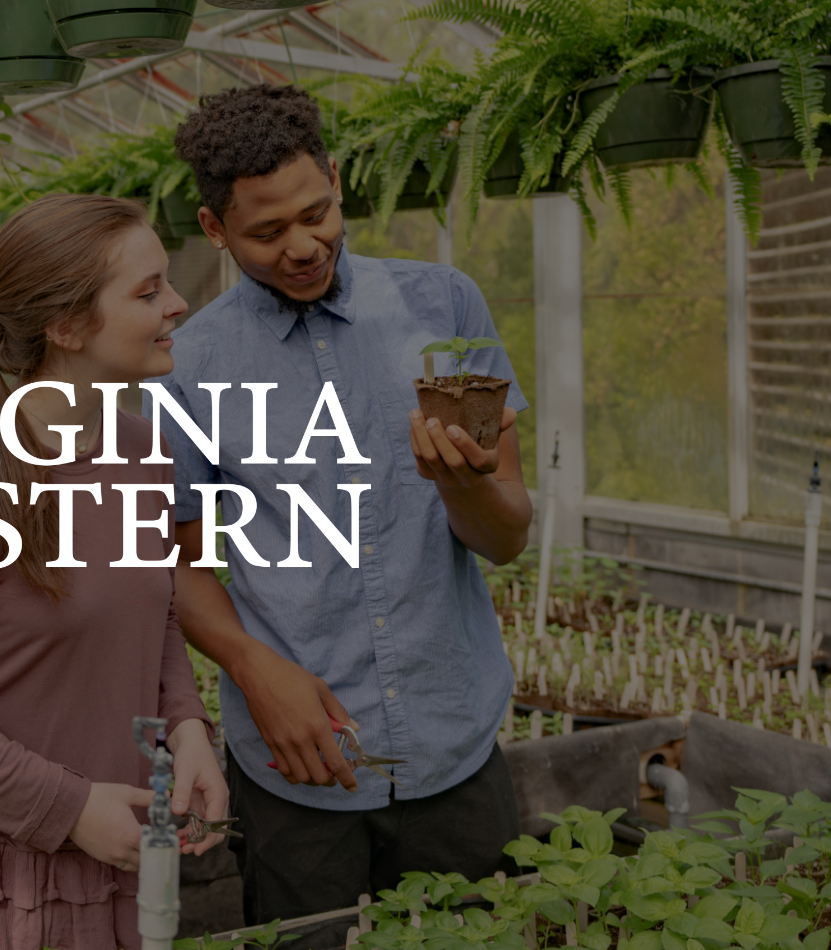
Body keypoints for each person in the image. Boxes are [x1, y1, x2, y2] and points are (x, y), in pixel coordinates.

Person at [152, 84, 534, 948]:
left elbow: (506, 536)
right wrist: (254, 669)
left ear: (333, 177)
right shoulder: (188, 369)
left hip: (452, 746)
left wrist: (465, 485)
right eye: (266, 233)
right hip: (299, 762)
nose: (302, 246)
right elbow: (174, 561)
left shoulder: (443, 309)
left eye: (317, 213)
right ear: (215, 231)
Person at [0, 193, 231, 950]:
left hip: (106, 853)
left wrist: (187, 727)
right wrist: (65, 807)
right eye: (148, 290)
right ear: (64, 327)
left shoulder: (140, 452)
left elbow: (152, 610)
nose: (180, 303)